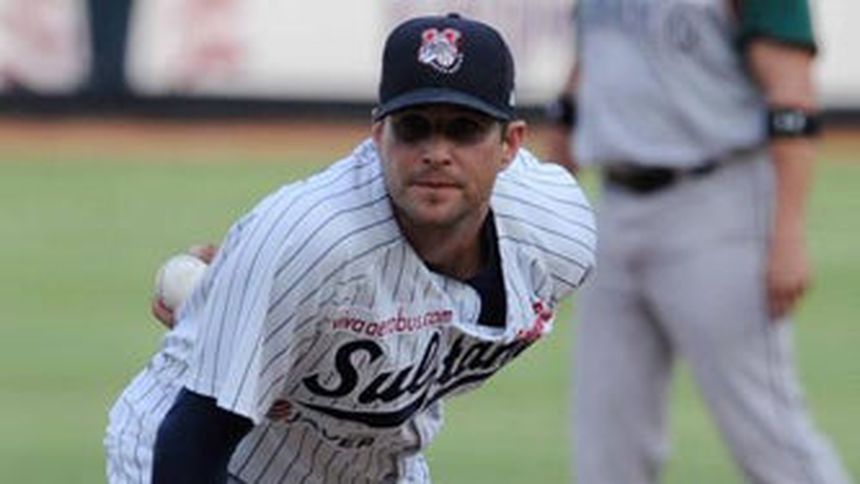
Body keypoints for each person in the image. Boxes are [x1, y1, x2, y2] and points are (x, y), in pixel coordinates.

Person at [105, 13, 597, 483]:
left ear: (510, 144)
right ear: (378, 134)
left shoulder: (557, 235)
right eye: (414, 127)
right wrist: (261, 281)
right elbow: (194, 439)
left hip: (367, 464)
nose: (436, 152)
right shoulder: (312, 243)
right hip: (209, 454)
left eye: (464, 129)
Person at [546, 1, 852, 483]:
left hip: (716, 203)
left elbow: (791, 94)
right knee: (607, 443)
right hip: (614, 204)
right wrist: (549, 203)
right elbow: (589, 69)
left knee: (767, 433)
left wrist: (789, 233)